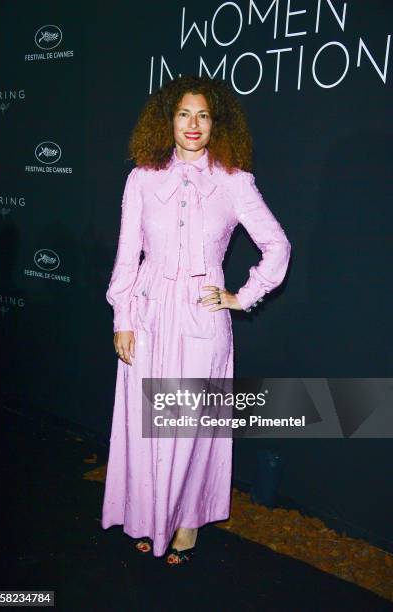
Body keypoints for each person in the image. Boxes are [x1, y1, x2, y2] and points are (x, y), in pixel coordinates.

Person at [101, 74, 291, 565]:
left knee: (188, 428)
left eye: (203, 115)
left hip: (202, 321)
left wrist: (241, 296)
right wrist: (123, 317)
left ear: (215, 124)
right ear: (169, 120)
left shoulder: (234, 182)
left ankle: (184, 524)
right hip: (146, 316)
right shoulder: (142, 178)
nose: (193, 124)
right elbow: (127, 257)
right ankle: (148, 518)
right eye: (184, 113)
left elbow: (277, 247)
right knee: (148, 426)